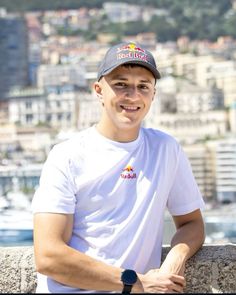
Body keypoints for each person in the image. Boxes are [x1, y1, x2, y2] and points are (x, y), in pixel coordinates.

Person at [32, 41, 205, 293]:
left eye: (143, 86)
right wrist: (136, 281)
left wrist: (173, 263)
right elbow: (48, 256)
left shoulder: (166, 149)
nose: (133, 95)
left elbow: (192, 224)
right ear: (98, 90)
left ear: (153, 95)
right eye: (121, 84)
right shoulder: (67, 155)